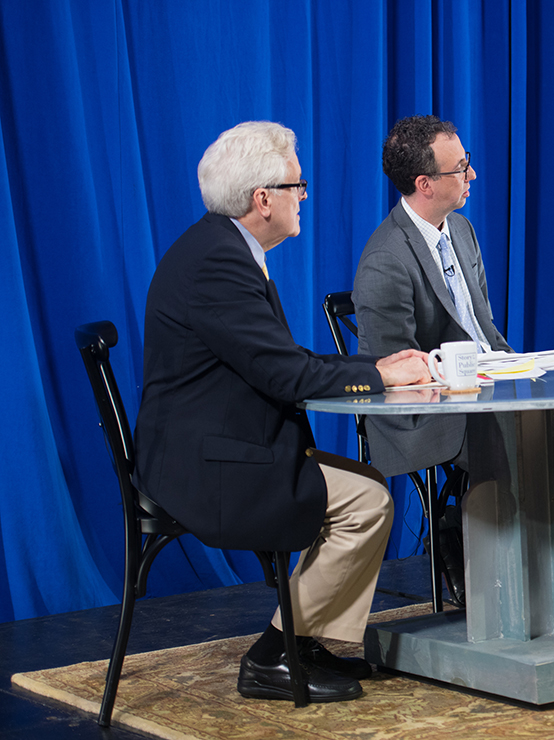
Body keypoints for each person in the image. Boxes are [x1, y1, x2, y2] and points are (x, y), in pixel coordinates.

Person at [134, 121, 432, 703]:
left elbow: (281, 359)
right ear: (261, 198)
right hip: (208, 467)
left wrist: (376, 366)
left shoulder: (221, 249)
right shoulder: (218, 264)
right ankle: (274, 655)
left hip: (218, 445)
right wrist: (378, 374)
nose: (303, 197)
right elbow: (285, 376)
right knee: (367, 501)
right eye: (297, 186)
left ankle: (304, 643)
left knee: (365, 487)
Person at [352, 115, 554, 603]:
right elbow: (397, 373)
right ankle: (511, 574)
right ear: (425, 184)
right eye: (461, 168)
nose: (471, 175)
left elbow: (487, 334)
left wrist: (532, 382)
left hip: (490, 393)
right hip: (429, 414)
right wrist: (488, 392)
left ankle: (475, 535)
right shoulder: (385, 260)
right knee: (516, 447)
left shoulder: (461, 230)